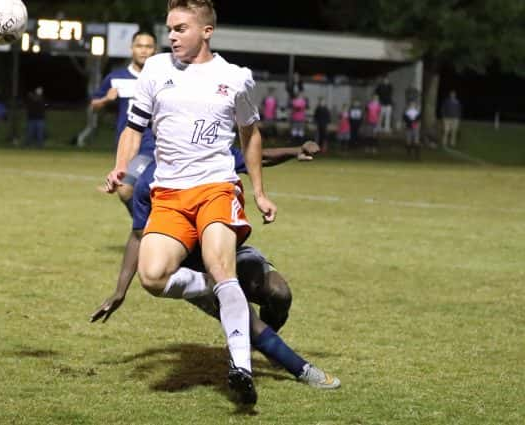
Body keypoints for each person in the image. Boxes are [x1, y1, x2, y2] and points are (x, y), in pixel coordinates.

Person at [104, 0, 277, 405]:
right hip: (169, 193)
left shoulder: (235, 78)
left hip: (216, 188)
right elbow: (134, 127)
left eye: (181, 28)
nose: (172, 36)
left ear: (207, 31)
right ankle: (223, 288)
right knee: (152, 277)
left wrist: (260, 191)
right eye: (170, 28)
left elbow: (250, 136)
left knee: (220, 263)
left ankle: (240, 367)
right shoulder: (157, 69)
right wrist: (120, 167)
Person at [91, 143, 340, 391]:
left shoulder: (212, 154)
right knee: (246, 318)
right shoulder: (152, 179)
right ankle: (302, 369)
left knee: (280, 293)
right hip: (195, 269)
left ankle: (255, 344)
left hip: (227, 251)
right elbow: (138, 236)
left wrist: (295, 151)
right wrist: (120, 290)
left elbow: (258, 156)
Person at [91, 31, 157, 215]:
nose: (144, 51)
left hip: (151, 147)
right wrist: (106, 99)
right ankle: (149, 230)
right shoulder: (116, 77)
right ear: (131, 48)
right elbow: (94, 105)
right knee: (131, 191)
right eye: (139, 46)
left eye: (148, 46)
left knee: (125, 188)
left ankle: (146, 231)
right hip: (127, 148)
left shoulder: (160, 79)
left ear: (155, 50)